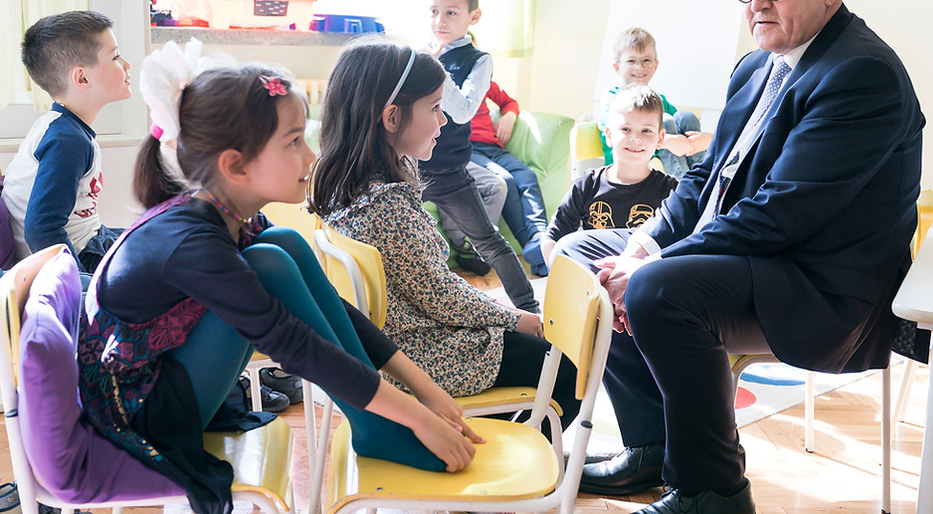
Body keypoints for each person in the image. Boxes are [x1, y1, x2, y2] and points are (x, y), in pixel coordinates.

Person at [557, 0, 924, 514]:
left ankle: (715, 490)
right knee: (581, 252)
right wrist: (645, 244)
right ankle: (654, 444)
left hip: (817, 287)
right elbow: (705, 177)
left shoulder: (862, 74)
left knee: (656, 290)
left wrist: (653, 267)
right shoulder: (756, 65)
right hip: (753, 258)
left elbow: (780, 213)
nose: (755, 3)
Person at [78, 42, 480, 514]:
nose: (311, 157)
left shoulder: (233, 215)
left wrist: (426, 389)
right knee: (269, 264)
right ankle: (377, 425)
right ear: (236, 166)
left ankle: (374, 424)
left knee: (283, 245)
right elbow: (293, 343)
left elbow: (328, 303)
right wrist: (416, 416)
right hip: (140, 414)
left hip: (167, 380)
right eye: (293, 142)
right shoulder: (192, 241)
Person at [309, 40, 580, 433]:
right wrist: (513, 317)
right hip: (419, 355)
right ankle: (499, 457)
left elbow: (430, 287)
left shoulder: (341, 186)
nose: (444, 122)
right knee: (564, 370)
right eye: (435, 108)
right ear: (391, 117)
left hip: (389, 344)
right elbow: (442, 298)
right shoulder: (388, 207)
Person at [417, 0, 538, 312]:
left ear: (474, 17)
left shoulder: (478, 60)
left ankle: (530, 310)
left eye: (451, 12)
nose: (439, 20)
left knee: (490, 241)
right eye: (433, 11)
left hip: (450, 172)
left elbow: (463, 110)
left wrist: (434, 65)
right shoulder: (419, 52)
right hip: (409, 168)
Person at [2, 11, 131, 283]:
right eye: (115, 57)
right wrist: (77, 284)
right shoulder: (68, 140)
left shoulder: (61, 127)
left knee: (152, 235)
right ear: (82, 79)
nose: (127, 64)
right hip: (79, 256)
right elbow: (41, 228)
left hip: (88, 239)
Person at [541, 84, 677, 264]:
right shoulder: (586, 185)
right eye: (626, 129)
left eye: (646, 130)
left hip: (641, 279)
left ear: (660, 139)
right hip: (594, 280)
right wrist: (559, 277)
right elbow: (552, 239)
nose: (636, 138)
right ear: (609, 135)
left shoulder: (671, 191)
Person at [597, 27, 710, 178]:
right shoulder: (613, 98)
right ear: (617, 67)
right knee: (665, 120)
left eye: (646, 61)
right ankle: (684, 183)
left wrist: (694, 143)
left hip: (655, 159)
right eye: (631, 61)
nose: (639, 67)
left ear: (655, 65)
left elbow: (681, 128)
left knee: (685, 117)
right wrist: (667, 141)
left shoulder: (657, 100)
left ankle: (702, 179)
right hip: (630, 159)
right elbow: (617, 135)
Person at [469, 79, 551, 276]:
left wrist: (509, 117)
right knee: (506, 180)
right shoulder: (446, 83)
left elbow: (509, 102)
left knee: (526, 175)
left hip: (493, 147)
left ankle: (539, 235)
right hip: (468, 149)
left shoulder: (484, 82)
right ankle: (530, 247)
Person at [438, 161, 507, 276]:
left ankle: (479, 244)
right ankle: (464, 245)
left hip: (456, 157)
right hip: (431, 161)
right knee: (449, 180)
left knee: (497, 186)